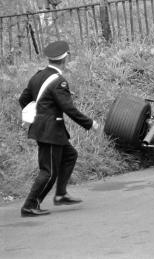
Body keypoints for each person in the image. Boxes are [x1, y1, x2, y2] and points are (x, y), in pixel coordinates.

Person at [19, 40, 99, 217]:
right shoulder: (59, 81)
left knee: (70, 155)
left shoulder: (37, 76)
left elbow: (23, 99)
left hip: (46, 129)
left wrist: (37, 115)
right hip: (50, 131)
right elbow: (68, 108)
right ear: (65, 59)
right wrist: (90, 123)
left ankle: (61, 194)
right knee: (48, 171)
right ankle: (30, 205)